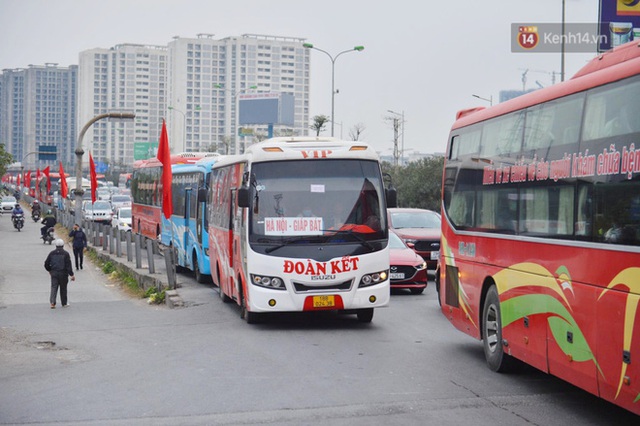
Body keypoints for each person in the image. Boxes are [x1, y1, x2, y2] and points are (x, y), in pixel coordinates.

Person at [44, 239, 75, 309]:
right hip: (63, 273)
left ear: (56, 245)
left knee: (54, 287)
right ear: (63, 245)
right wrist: (71, 274)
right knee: (63, 288)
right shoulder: (66, 254)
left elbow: (46, 263)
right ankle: (64, 303)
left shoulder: (51, 253)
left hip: (54, 273)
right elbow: (68, 266)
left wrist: (50, 270)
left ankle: (52, 303)